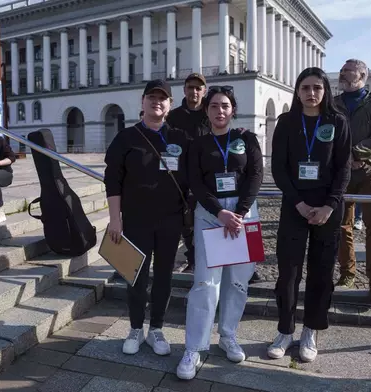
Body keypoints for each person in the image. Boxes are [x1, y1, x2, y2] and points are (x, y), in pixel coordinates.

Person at [176, 86, 263, 380]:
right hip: (211, 217)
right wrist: (220, 213)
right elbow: (196, 183)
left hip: (244, 217)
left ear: (233, 109)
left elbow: (255, 175)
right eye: (214, 106)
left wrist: (239, 212)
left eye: (225, 105)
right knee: (205, 283)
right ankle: (194, 347)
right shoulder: (198, 145)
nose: (220, 111)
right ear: (207, 110)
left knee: (239, 282)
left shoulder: (246, 139)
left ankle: (228, 335)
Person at [268, 67, 351, 362]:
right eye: (305, 87)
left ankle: (310, 330)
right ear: (297, 91)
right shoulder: (287, 122)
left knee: (321, 272)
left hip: (328, 208)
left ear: (325, 90)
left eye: (317, 87)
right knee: (288, 272)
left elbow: (344, 168)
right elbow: (278, 167)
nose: (311, 93)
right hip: (295, 205)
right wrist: (298, 203)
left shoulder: (337, 122)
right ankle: (285, 331)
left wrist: (329, 205)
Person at [104, 79, 191, 356]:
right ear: (142, 102)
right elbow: (113, 181)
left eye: (162, 98)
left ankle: (156, 329)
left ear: (170, 105)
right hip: (136, 219)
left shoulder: (180, 138)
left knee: (165, 275)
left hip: (170, 220)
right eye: (151, 97)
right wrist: (115, 219)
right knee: (135, 276)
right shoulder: (126, 138)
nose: (157, 101)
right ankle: (134, 328)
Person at [335, 58, 371, 302]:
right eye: (342, 72)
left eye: (350, 72)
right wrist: (343, 158)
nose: (344, 76)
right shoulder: (332, 104)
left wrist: (356, 154)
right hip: (339, 173)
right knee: (340, 225)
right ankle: (347, 273)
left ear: (363, 76)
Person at [166, 73, 209, 273]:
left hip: (207, 176)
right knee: (187, 222)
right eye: (190, 87)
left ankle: (210, 258)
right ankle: (192, 259)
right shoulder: (174, 117)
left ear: (204, 91)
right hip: (182, 177)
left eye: (198, 88)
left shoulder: (211, 112)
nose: (194, 91)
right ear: (184, 90)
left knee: (209, 218)